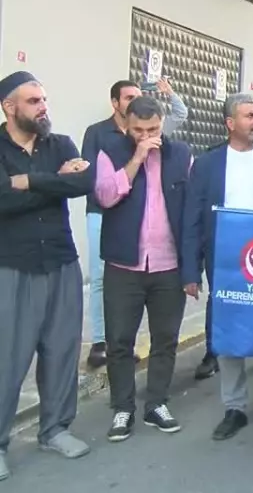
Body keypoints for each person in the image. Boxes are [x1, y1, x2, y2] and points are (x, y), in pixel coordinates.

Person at [181, 93, 253, 441]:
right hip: (226, 262)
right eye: (249, 116)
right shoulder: (207, 164)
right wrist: (190, 272)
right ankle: (234, 408)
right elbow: (192, 219)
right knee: (229, 337)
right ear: (230, 123)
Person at [0, 71, 94, 481]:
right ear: (9, 107)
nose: (43, 107)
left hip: (61, 261)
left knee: (61, 351)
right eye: (34, 101)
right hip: (12, 265)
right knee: (7, 358)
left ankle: (55, 429)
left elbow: (83, 182)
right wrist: (55, 182)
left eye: (44, 100)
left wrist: (27, 181)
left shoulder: (61, 144)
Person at [92, 96, 191, 441]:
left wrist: (192, 268)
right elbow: (105, 196)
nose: (147, 136)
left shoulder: (181, 153)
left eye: (153, 130)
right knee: (120, 340)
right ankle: (122, 407)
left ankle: (156, 403)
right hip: (124, 264)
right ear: (127, 125)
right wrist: (136, 159)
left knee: (166, 339)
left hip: (168, 264)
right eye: (138, 130)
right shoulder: (110, 150)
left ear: (163, 124)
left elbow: (191, 209)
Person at [80, 80, 142, 370]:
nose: (134, 102)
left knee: (128, 280)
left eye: (138, 97)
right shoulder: (97, 132)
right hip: (101, 212)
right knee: (99, 277)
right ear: (115, 102)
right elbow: (90, 175)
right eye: (128, 97)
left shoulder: (141, 133)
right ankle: (99, 342)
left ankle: (123, 341)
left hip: (132, 214)